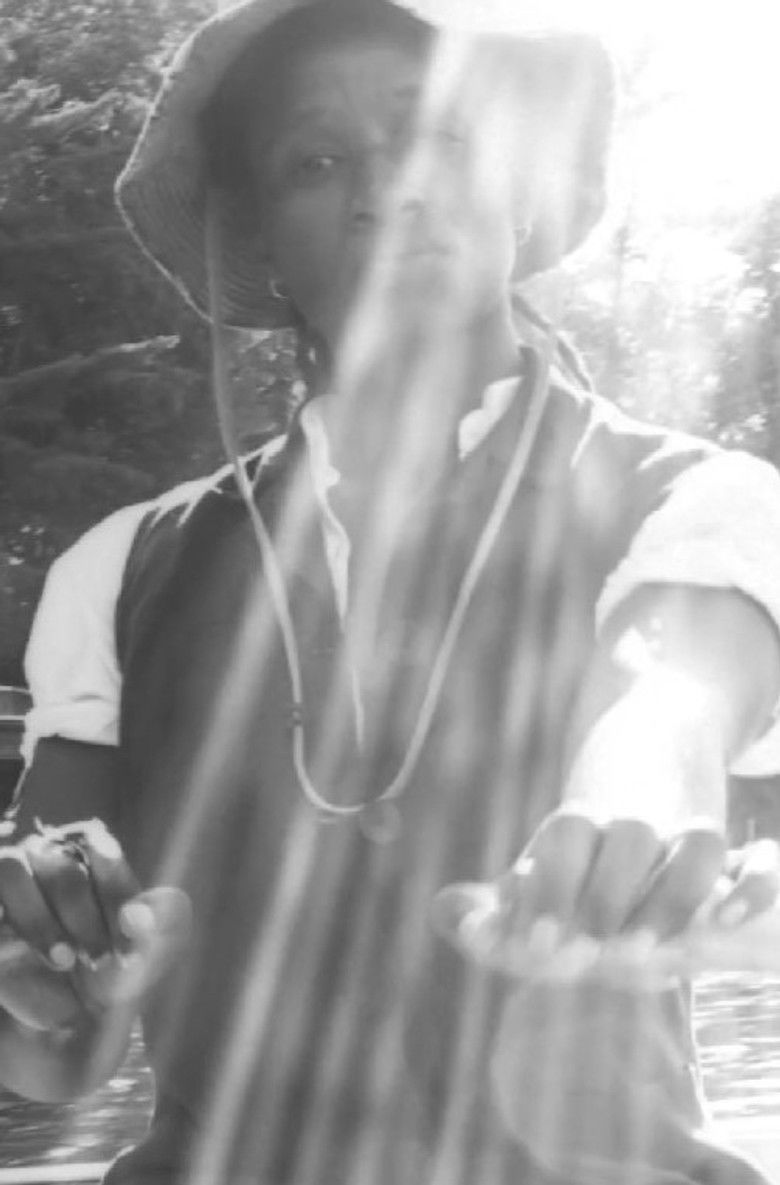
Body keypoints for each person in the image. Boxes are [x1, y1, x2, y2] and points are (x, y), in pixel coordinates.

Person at [2, 1, 780, 1182]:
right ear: (260, 241)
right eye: (314, 163)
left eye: (445, 136)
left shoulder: (700, 499)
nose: (390, 189)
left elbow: (673, 686)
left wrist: (642, 788)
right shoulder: (122, 566)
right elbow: (58, 1047)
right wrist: (39, 989)